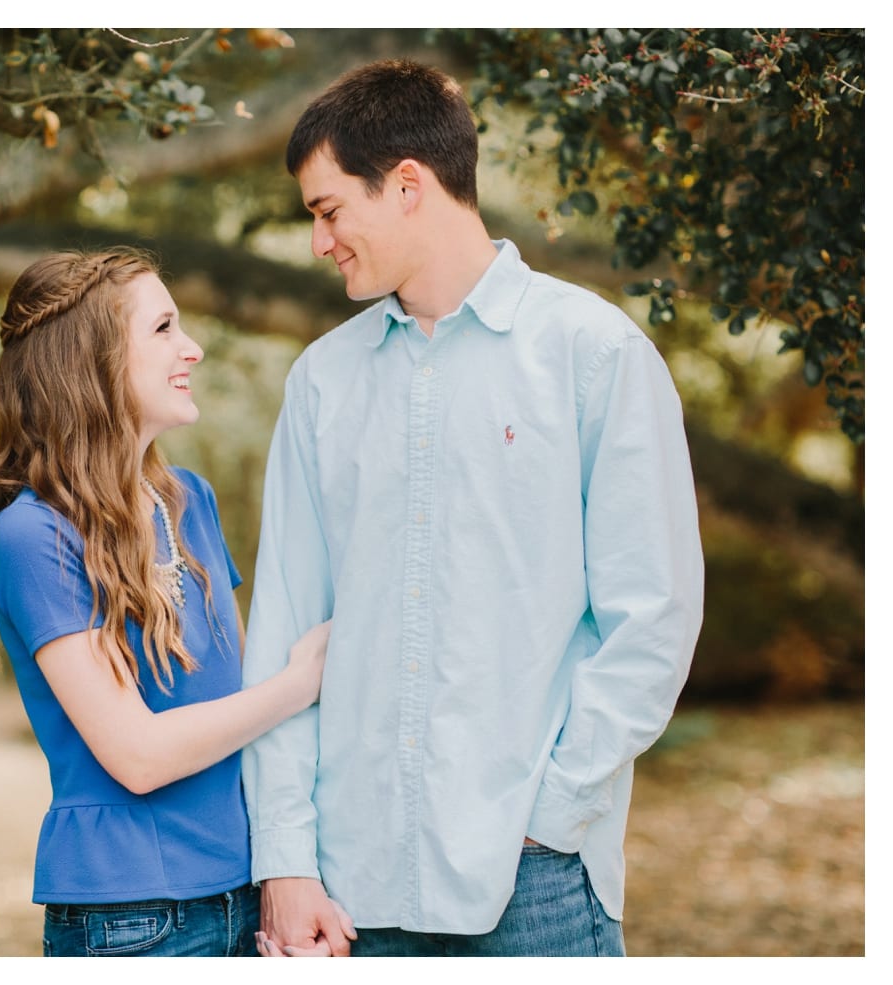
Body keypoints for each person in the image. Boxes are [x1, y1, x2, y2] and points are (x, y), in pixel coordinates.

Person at [242, 59, 704, 958]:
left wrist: (550, 815)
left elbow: (653, 616)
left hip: (534, 882)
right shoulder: (321, 385)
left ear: (407, 184)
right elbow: (286, 630)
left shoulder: (595, 354)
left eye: (328, 210)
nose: (318, 242)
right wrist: (286, 860)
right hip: (349, 891)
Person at [0, 247, 337, 957]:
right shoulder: (32, 534)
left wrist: (286, 868)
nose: (192, 348)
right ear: (94, 359)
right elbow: (137, 755)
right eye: (165, 328)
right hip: (131, 918)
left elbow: (237, 701)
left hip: (243, 895)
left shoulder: (189, 501)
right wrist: (300, 684)